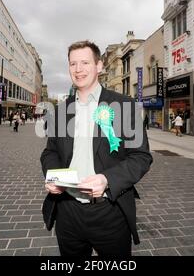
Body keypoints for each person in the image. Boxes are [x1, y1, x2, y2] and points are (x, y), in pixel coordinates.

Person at [40, 40, 153, 257]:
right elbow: (50, 152)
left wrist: (107, 179)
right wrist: (54, 177)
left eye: (85, 62)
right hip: (67, 210)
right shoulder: (60, 110)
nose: (78, 69)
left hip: (109, 211)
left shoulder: (124, 105)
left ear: (99, 66)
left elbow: (141, 156)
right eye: (73, 64)